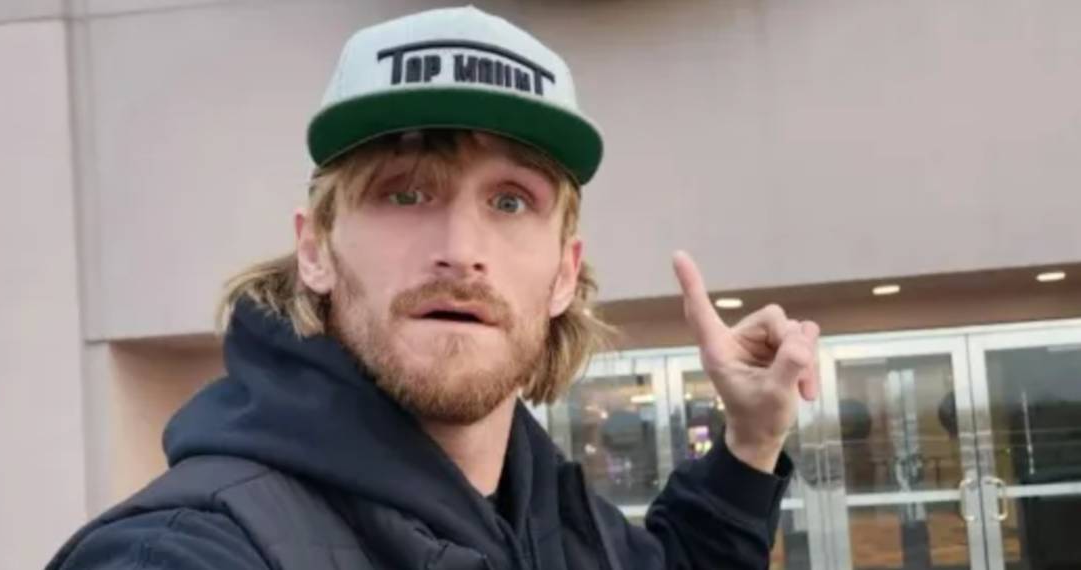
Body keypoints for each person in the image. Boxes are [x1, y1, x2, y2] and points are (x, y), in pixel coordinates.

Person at [48, 6, 821, 569]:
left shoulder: (552, 513)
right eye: (405, 193)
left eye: (510, 202)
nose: (460, 252)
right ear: (315, 250)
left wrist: (751, 441)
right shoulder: (188, 549)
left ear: (563, 272)